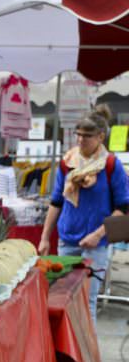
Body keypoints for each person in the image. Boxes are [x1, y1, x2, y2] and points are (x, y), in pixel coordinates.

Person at [39, 113, 129, 320]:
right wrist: (45, 237)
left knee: (88, 302)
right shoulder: (67, 162)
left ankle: (88, 353)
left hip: (96, 245)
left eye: (87, 135)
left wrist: (98, 235)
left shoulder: (111, 165)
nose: (80, 140)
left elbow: (123, 207)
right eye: (77, 134)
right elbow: (56, 201)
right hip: (67, 241)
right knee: (63, 300)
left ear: (100, 137)